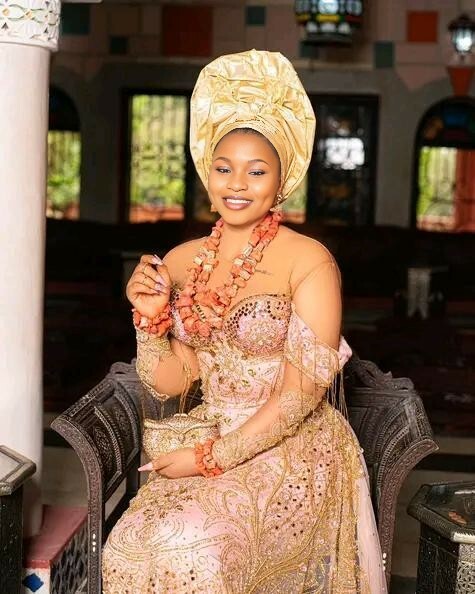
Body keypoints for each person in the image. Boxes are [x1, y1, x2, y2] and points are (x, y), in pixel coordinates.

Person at [102, 49, 387, 593]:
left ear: (281, 182)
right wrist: (149, 322)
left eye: (257, 171)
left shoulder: (310, 261)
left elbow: (298, 399)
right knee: (128, 547)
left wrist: (207, 459)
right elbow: (171, 381)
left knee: (199, 554)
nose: (237, 183)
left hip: (295, 446)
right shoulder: (181, 261)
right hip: (209, 431)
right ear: (207, 174)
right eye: (224, 167)